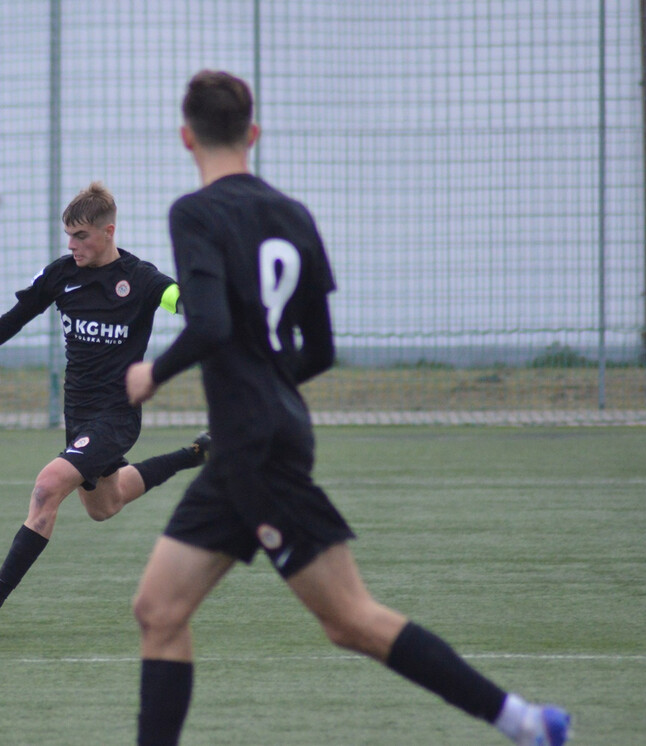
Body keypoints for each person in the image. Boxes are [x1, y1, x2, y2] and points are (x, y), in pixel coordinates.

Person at [125, 70, 571, 746]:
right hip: (258, 441)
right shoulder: (293, 214)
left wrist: (152, 373)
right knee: (158, 609)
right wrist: (270, 388)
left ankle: (526, 723)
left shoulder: (196, 212)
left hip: (255, 451)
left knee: (351, 620)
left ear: (185, 136)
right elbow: (321, 348)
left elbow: (210, 323)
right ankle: (526, 722)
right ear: (254, 133)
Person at [0, 181, 209, 629]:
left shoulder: (142, 280)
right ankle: (194, 454)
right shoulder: (61, 275)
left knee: (48, 485)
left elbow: (187, 303)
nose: (72, 245)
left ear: (108, 232)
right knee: (104, 506)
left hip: (117, 417)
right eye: (69, 236)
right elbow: (10, 322)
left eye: (81, 237)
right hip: (78, 416)